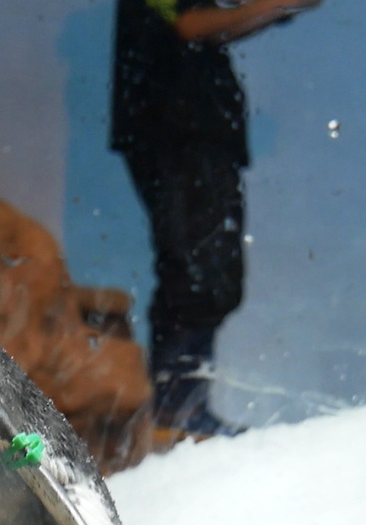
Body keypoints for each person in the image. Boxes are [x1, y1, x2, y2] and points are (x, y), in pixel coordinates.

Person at [111, 0, 323, 435]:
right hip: (175, 131)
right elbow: (191, 24)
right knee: (195, 272)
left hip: (192, 129)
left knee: (209, 274)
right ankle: (178, 412)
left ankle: (183, 408)